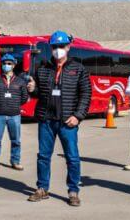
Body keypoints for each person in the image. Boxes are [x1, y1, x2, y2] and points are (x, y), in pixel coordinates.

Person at [26, 31, 91, 207]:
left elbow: (86, 95)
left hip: (67, 122)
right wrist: (33, 89)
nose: (57, 50)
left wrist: (77, 116)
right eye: (54, 47)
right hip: (46, 120)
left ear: (68, 47)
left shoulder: (78, 69)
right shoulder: (43, 68)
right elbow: (40, 93)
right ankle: (42, 188)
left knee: (72, 157)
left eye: (61, 46)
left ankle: (73, 191)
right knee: (43, 157)